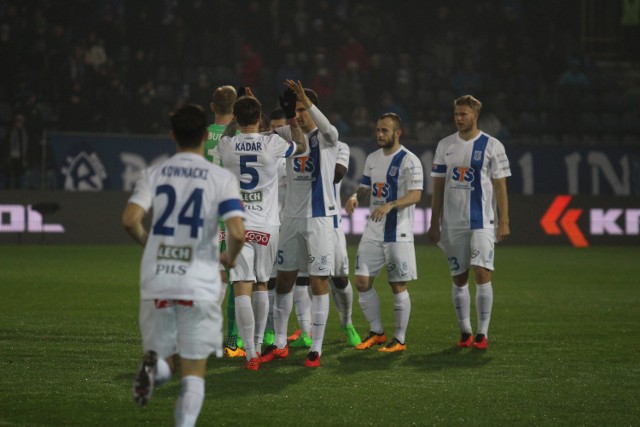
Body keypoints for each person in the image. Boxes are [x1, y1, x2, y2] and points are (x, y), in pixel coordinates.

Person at [122, 104, 245, 426]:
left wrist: (150, 243)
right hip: (200, 281)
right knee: (193, 374)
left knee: (166, 360)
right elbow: (237, 232)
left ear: (172, 135)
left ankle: (155, 370)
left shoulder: (154, 173)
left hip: (157, 277)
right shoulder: (221, 178)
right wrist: (229, 259)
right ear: (206, 136)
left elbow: (130, 221)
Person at [216, 92, 306, 370]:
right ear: (259, 118)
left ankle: (251, 353)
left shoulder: (227, 145)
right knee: (261, 284)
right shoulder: (273, 142)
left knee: (240, 286)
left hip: (236, 225)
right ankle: (258, 339)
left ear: (236, 118)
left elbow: (229, 133)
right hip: (267, 226)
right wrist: (291, 117)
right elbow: (301, 145)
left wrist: (239, 113)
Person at [261, 80, 341, 368]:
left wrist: (305, 100)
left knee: (319, 281)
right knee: (283, 281)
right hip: (291, 220)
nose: (300, 114)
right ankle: (280, 343)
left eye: (304, 109)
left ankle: (315, 349)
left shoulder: (330, 138)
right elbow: (260, 134)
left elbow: (323, 128)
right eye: (296, 109)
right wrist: (253, 106)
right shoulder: (286, 133)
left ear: (313, 109)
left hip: (319, 220)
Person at [426, 95, 511, 350]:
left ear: (475, 115)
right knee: (459, 278)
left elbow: (500, 186)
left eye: (464, 114)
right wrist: (434, 222)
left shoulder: (492, 145)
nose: (459, 118)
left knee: (482, 272)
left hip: (483, 221)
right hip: (453, 223)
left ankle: (482, 334)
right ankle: (465, 330)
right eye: (456, 114)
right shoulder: (445, 146)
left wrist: (504, 221)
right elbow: (438, 186)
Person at [345, 112, 423, 353]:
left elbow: (416, 194)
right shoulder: (372, 158)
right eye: (378, 130)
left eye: (385, 131)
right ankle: (377, 332)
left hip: (397, 231)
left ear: (397, 133)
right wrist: (356, 196)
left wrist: (391, 204)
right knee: (361, 281)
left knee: (397, 284)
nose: (379, 134)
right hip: (373, 230)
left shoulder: (410, 160)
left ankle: (399, 339)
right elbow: (366, 187)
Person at [204, 85, 245, 358]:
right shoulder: (242, 137)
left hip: (204, 214)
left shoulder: (201, 135)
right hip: (232, 213)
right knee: (237, 279)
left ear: (211, 107)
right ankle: (233, 341)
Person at [329, 140, 362, 347]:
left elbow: (337, 174)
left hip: (330, 220)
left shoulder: (337, 145)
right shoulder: (290, 145)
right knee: (301, 281)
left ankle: (347, 322)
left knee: (339, 277)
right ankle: (306, 330)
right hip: (295, 219)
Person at [2, 114, 29, 189]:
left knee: (18, 172)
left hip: (20, 155)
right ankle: (7, 186)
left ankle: (17, 187)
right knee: (9, 172)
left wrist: (24, 156)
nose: (19, 123)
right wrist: (7, 155)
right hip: (11, 155)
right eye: (18, 121)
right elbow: (6, 144)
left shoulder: (24, 133)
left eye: (21, 122)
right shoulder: (10, 132)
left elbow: (25, 145)